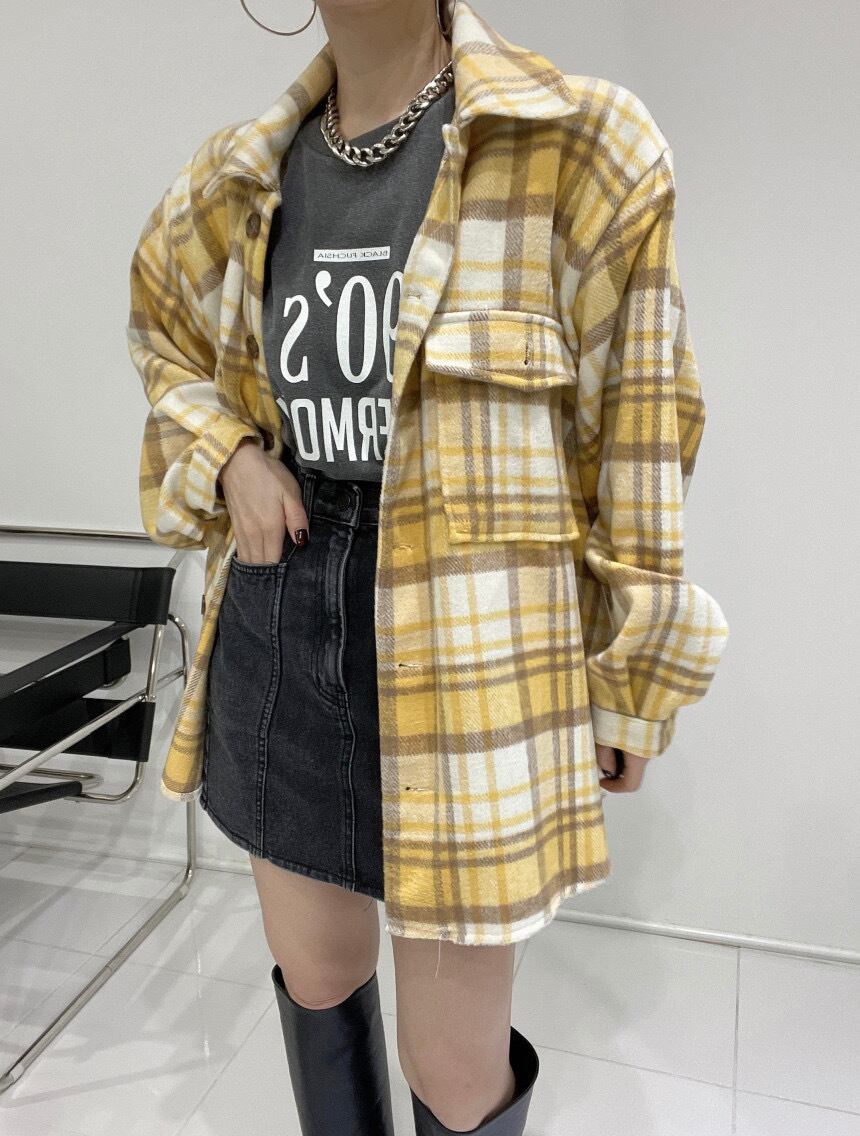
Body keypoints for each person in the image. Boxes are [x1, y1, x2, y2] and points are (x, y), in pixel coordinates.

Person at [126, 0, 729, 1132]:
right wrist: (231, 455)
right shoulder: (236, 174)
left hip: (475, 641)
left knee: (452, 1062)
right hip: (281, 605)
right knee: (318, 976)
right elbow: (159, 333)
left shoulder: (580, 142)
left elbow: (640, 426)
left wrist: (632, 676)